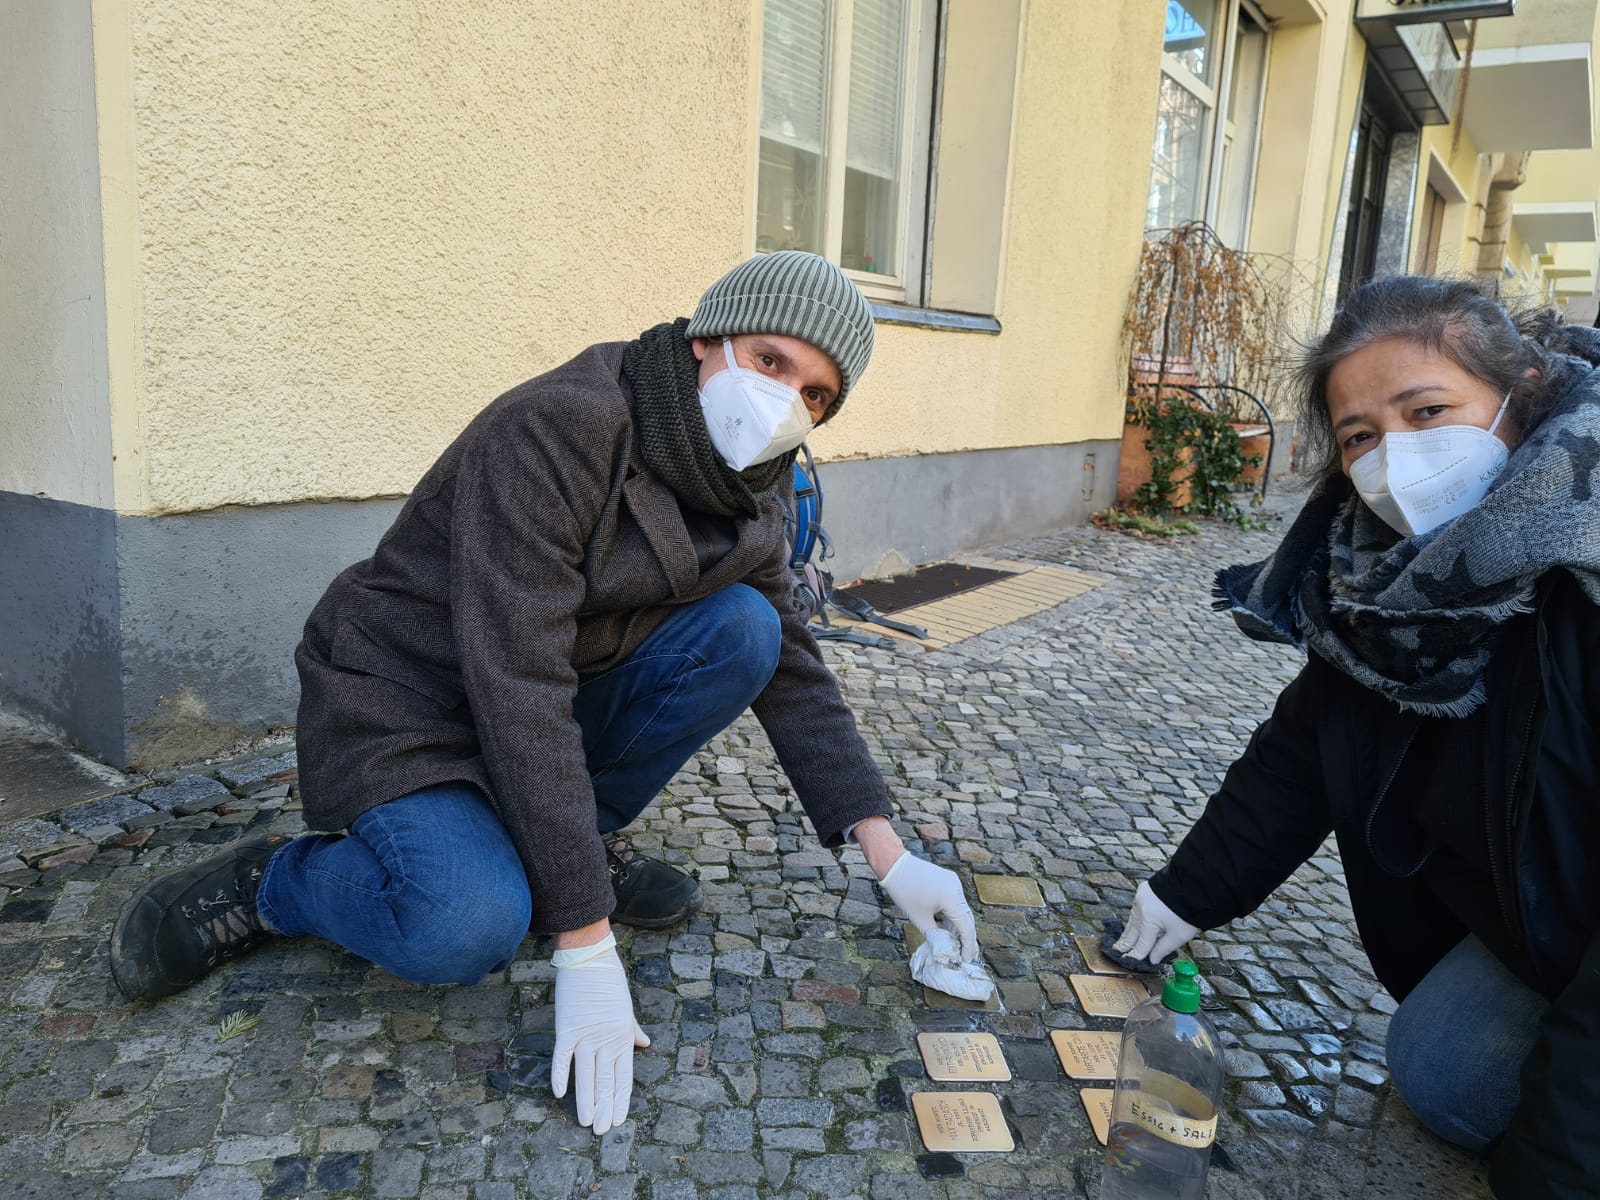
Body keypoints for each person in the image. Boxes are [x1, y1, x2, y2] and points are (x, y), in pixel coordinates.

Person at [109, 251, 979, 1136]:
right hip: (413, 694)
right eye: (770, 359)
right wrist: (585, 941)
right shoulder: (560, 428)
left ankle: (555, 844)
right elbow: (514, 680)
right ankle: (278, 883)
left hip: (549, 693)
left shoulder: (753, 494)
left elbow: (792, 663)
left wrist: (886, 850)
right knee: (463, 926)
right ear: (705, 339)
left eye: (816, 393)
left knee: (749, 628)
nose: (786, 400)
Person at [1112, 276, 1600, 1197]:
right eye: (1362, 436)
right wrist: (1180, 898)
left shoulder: (1584, 577)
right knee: (1442, 1066)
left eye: (1428, 410)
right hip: (1536, 932)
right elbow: (1299, 756)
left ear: (1522, 392)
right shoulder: (1379, 590)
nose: (1397, 459)